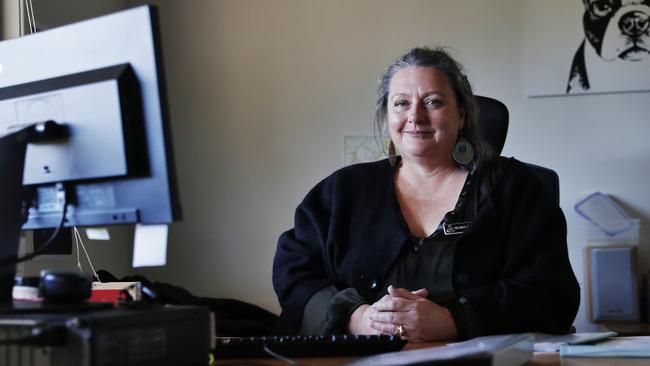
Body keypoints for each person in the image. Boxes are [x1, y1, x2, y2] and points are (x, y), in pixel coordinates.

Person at [272, 46, 580, 342]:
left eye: (433, 102)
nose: (415, 116)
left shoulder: (514, 188)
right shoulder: (341, 192)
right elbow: (295, 273)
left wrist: (453, 320)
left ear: (461, 115)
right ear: (387, 116)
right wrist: (356, 318)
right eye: (401, 103)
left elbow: (552, 291)